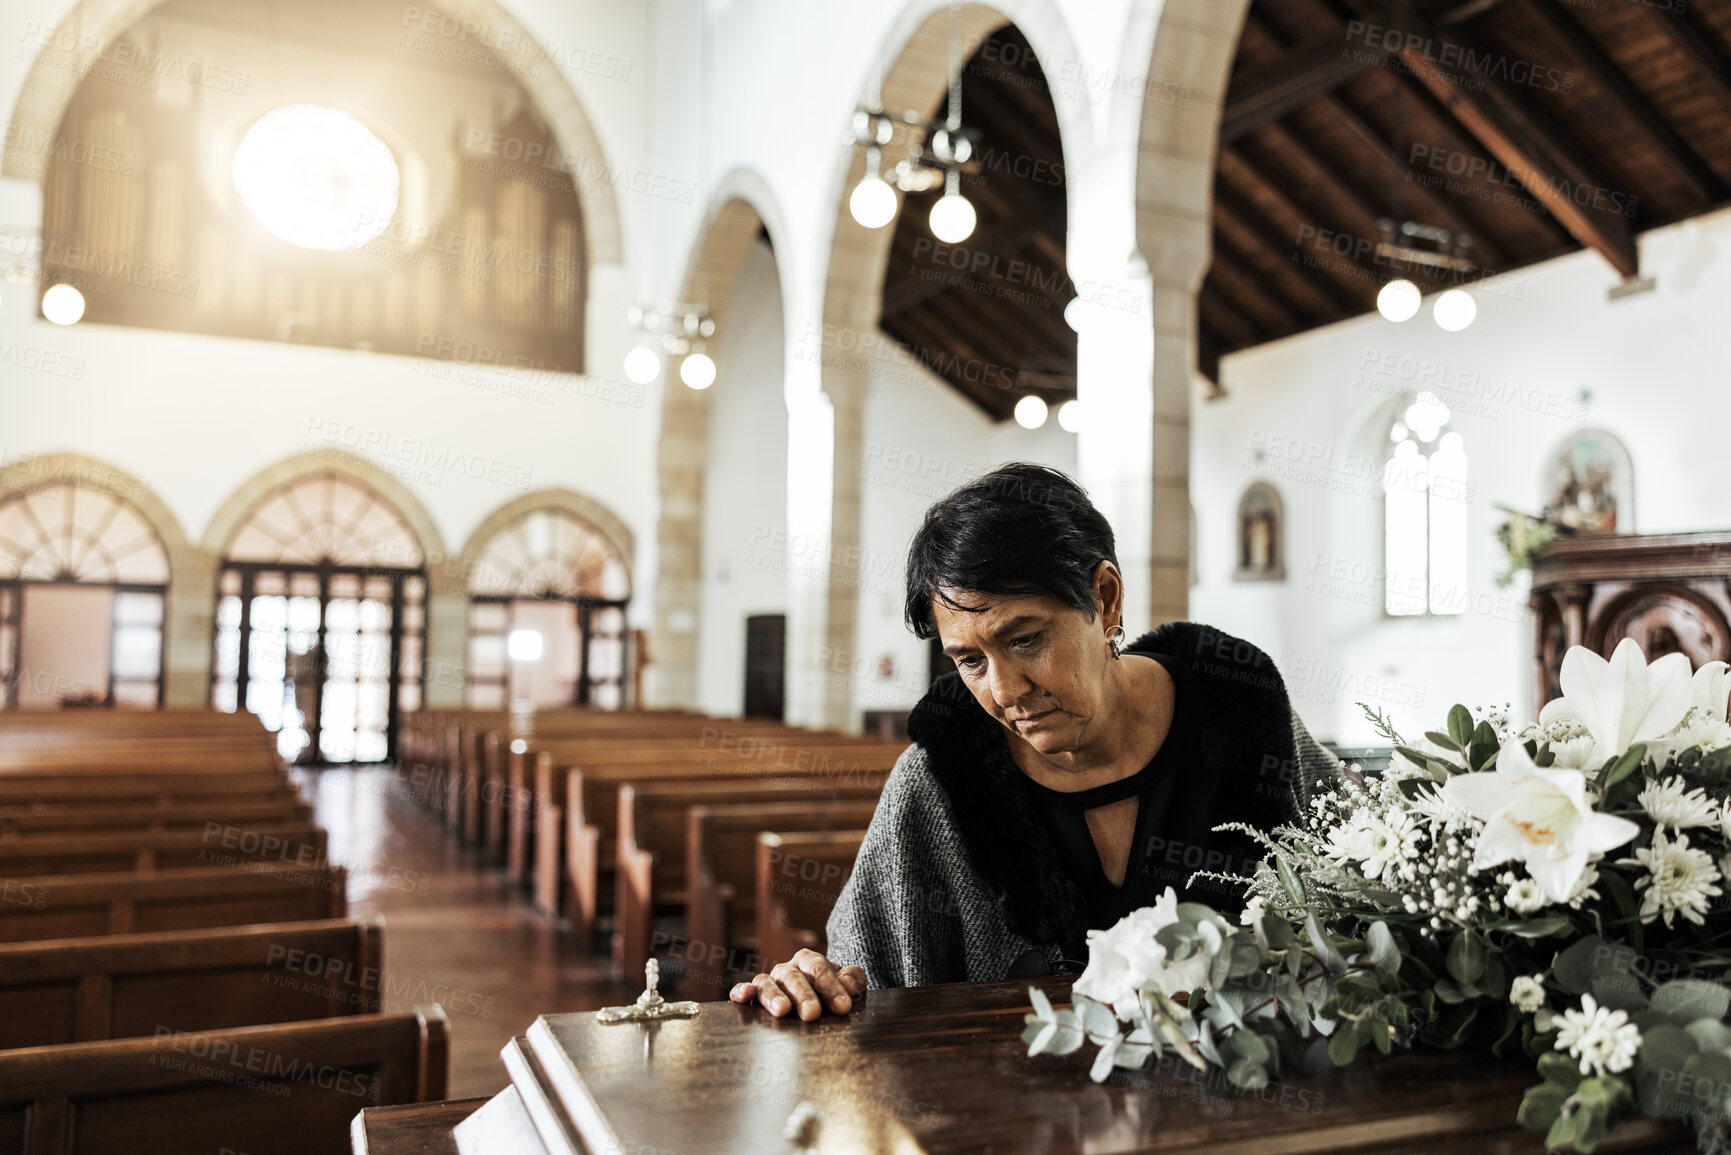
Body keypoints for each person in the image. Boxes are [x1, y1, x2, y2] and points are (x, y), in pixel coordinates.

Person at [730, 463, 1344, 1021]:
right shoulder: (939, 780)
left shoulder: (1240, 711)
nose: (1005, 691)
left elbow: (1366, 893)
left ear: (1105, 600)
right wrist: (812, 982)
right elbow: (863, 976)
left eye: (1025, 640)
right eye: (969, 661)